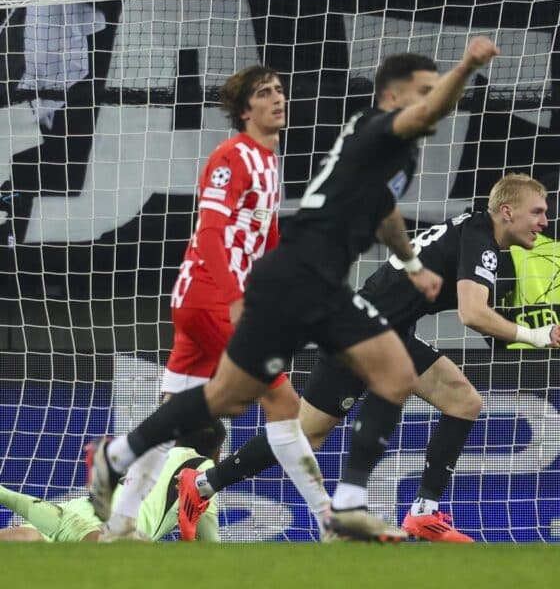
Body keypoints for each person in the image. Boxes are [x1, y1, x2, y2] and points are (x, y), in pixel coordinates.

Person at [88, 36, 500, 543]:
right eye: (424, 91)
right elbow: (216, 229)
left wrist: (413, 263)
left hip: (314, 282)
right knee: (238, 398)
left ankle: (343, 507)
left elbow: (385, 212)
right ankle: (334, 508)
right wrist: (467, 66)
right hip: (294, 280)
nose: (433, 101)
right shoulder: (379, 127)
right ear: (393, 98)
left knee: (357, 379)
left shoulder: (394, 154)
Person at [183, 172, 560, 542]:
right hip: (359, 334)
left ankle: (423, 513)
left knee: (463, 401)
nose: (544, 222)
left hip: (389, 332)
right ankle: (203, 484)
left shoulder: (477, 231)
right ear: (507, 212)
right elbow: (472, 313)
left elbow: (471, 309)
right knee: (305, 436)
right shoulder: (480, 240)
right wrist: (537, 335)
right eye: (537, 212)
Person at [95, 64, 335, 541]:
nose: (277, 98)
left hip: (209, 301)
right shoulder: (233, 157)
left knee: (173, 414)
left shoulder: (269, 161)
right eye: (265, 93)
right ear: (245, 109)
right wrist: (235, 301)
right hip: (209, 298)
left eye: (280, 90)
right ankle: (332, 522)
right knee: (284, 401)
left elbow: (266, 237)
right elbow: (209, 233)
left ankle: (120, 521)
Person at [0, 421, 226, 543]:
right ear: (217, 454)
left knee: (27, 537)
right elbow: (210, 546)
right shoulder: (203, 469)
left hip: (72, 510)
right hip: (116, 530)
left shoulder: (149, 452)